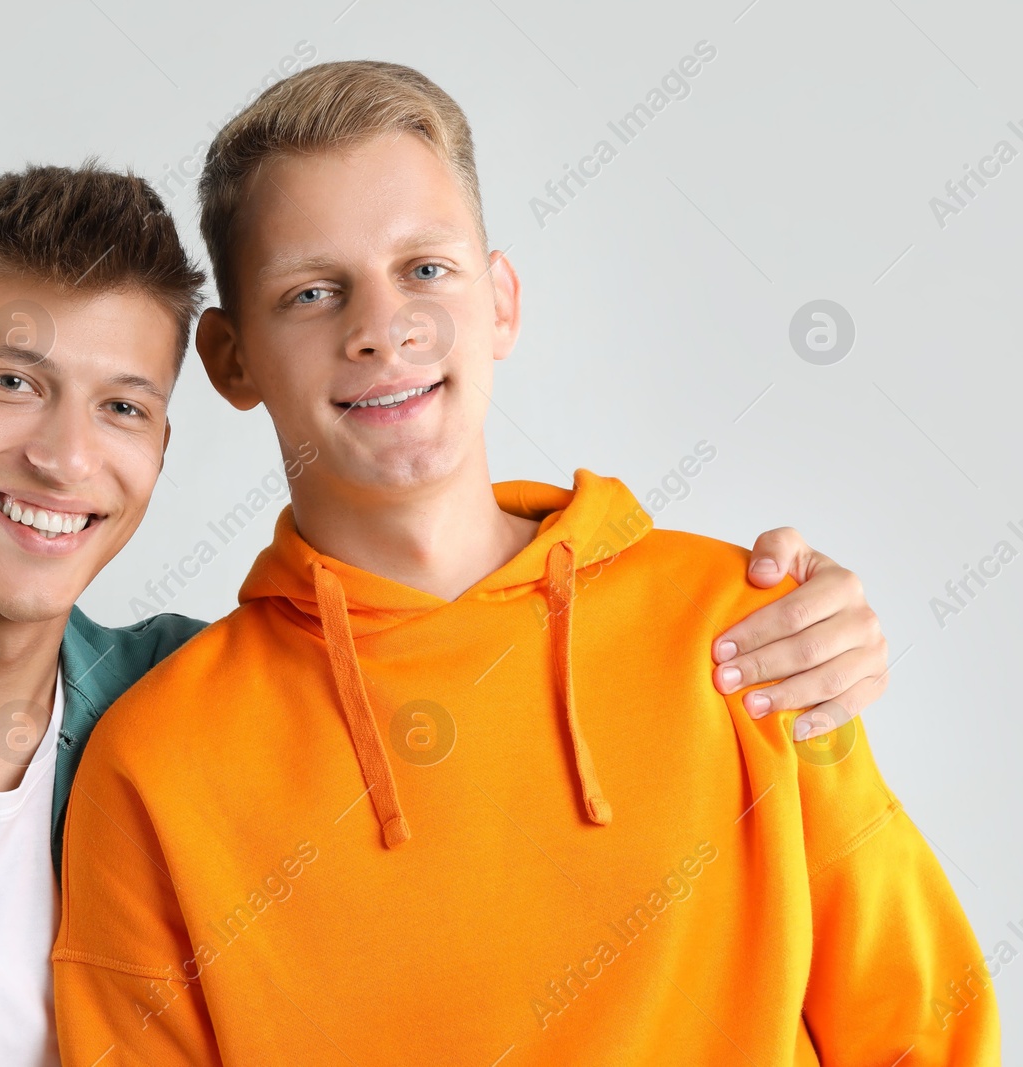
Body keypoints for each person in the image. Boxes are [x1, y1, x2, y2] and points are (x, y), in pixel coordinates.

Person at [0, 164, 888, 1065]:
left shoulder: (188, 722)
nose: (64, 456)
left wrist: (782, 612)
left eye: (123, 406)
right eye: (12, 380)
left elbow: (459, 697)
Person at [49, 62, 998, 1064]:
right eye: (313, 291)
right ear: (230, 359)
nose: (381, 329)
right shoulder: (155, 762)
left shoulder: (745, 631)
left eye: (425, 268)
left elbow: (923, 1030)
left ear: (500, 300)